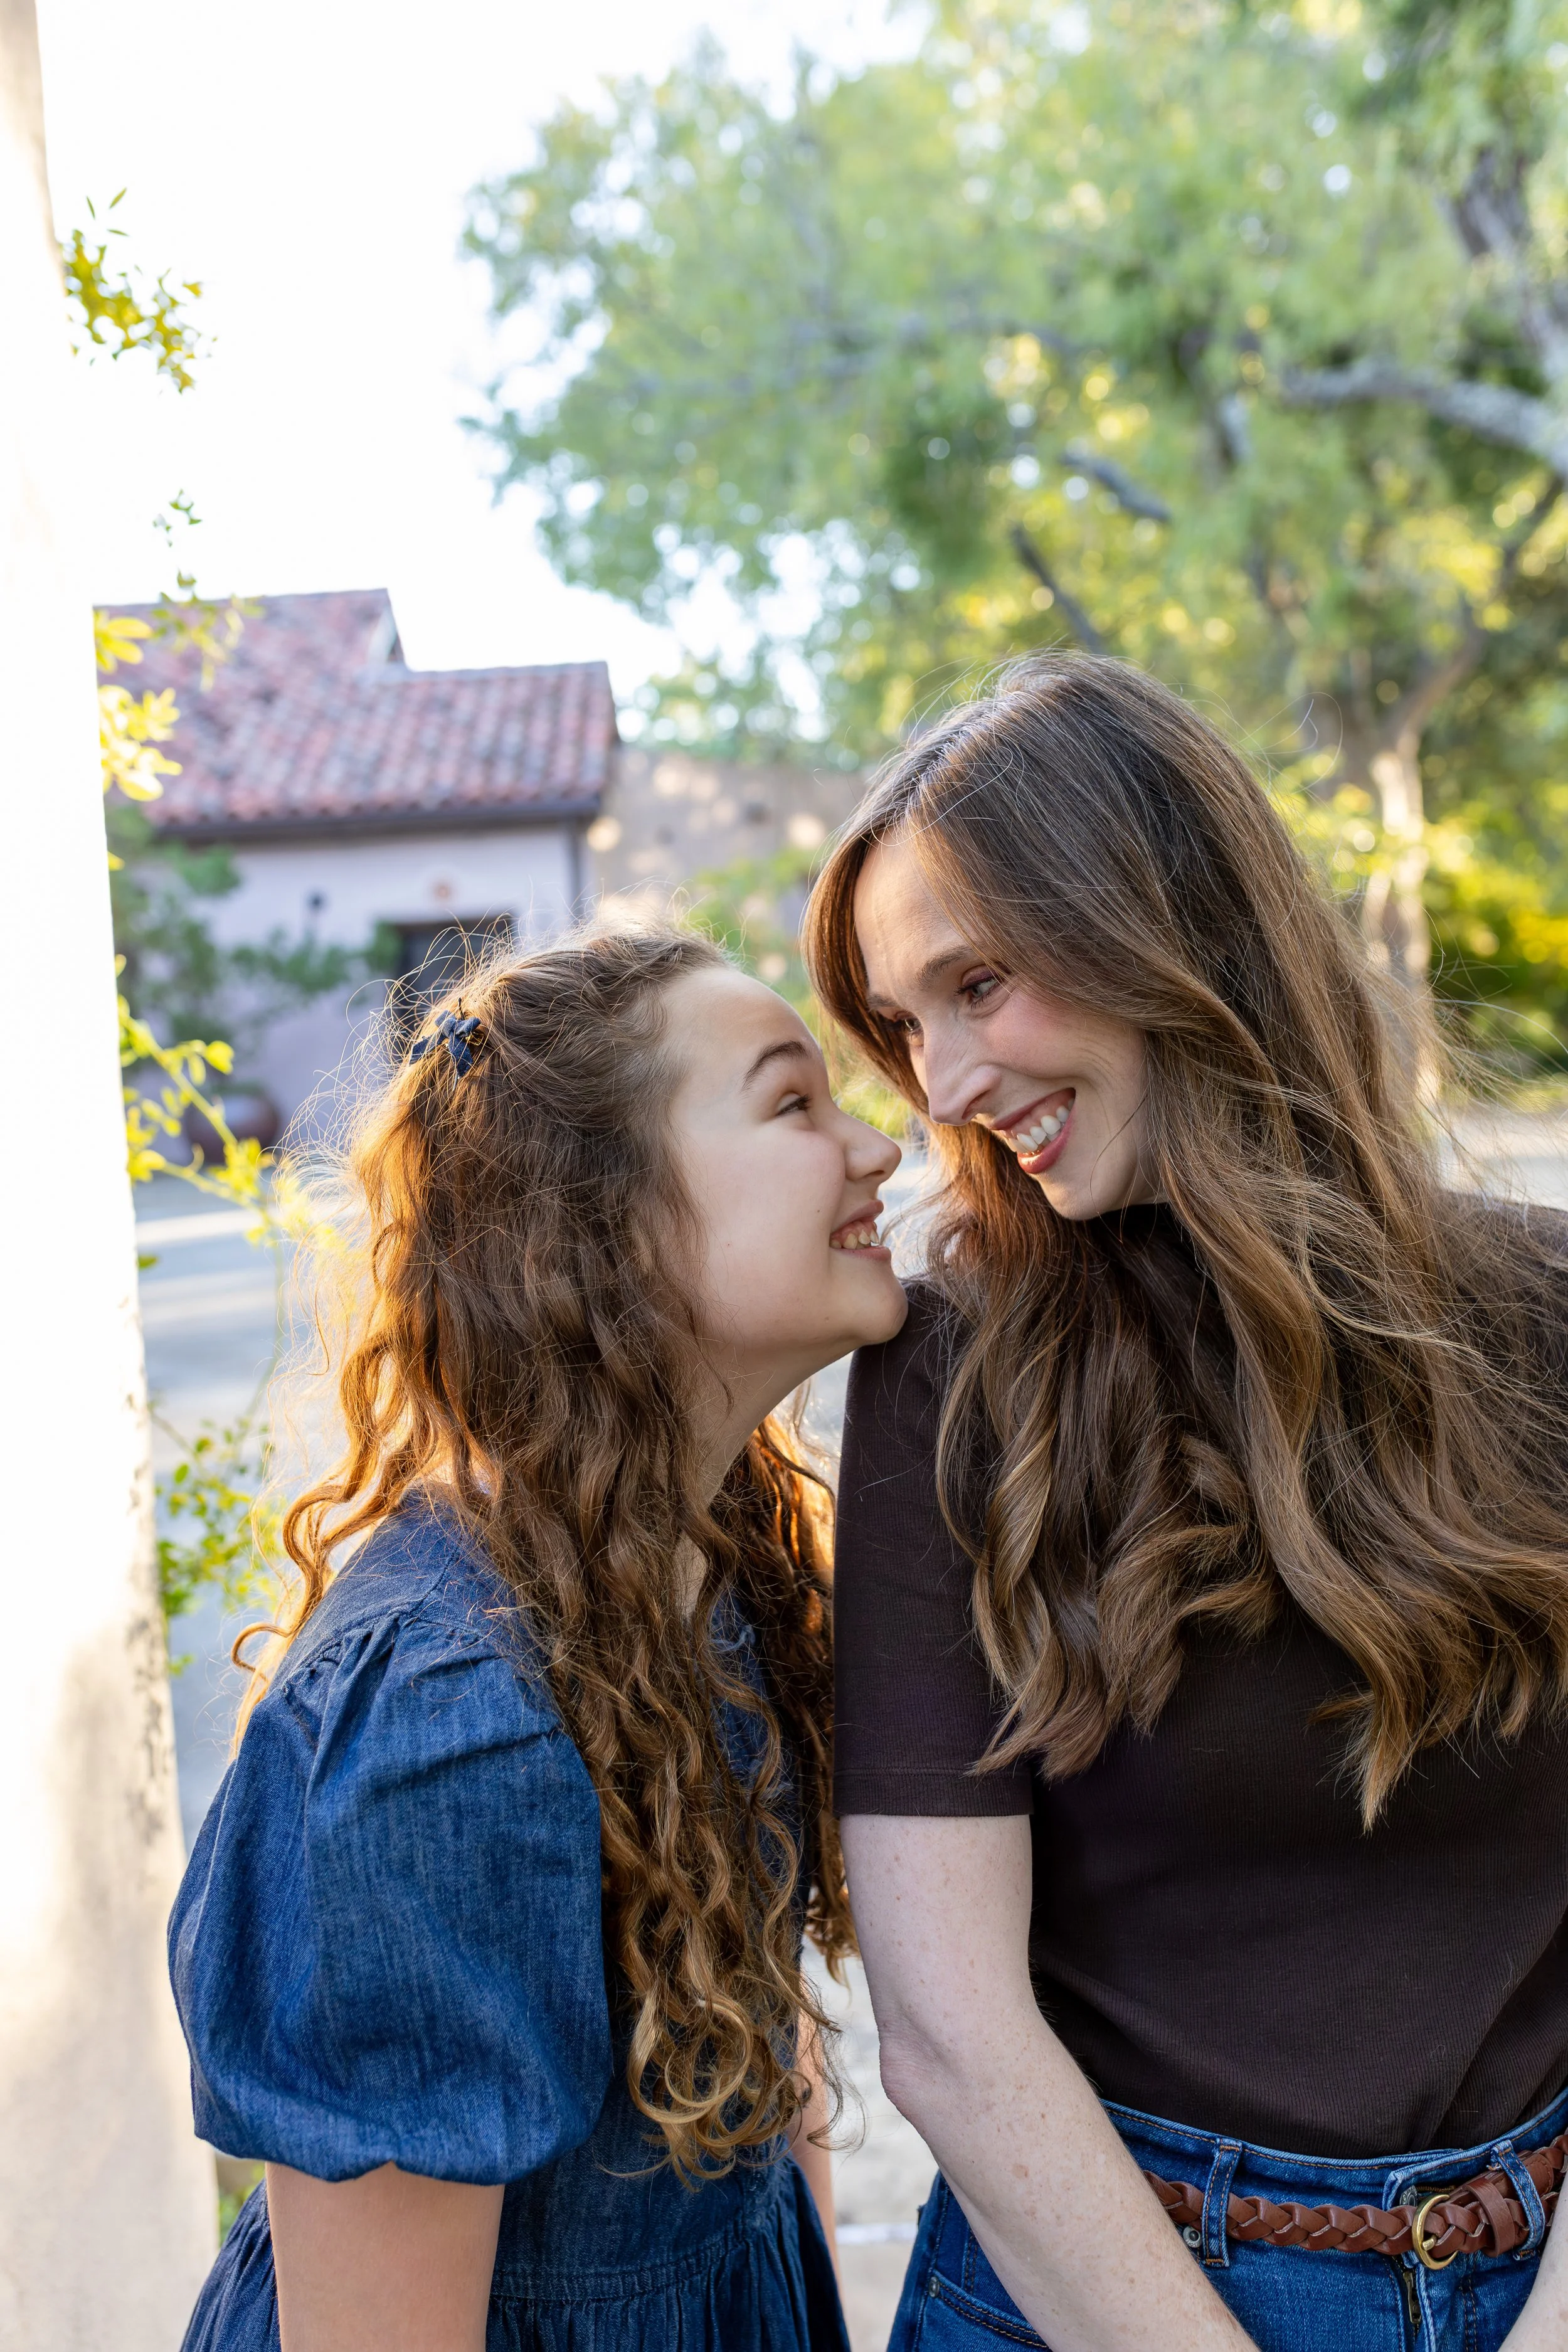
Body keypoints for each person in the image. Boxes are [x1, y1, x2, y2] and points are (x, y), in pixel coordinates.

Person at [802, 654, 1568, 2352]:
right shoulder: (951, 1369)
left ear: (1163, 916)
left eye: (976, 982)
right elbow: (947, 2029)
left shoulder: (1542, 1315)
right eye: (901, 1021)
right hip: (1101, 2287)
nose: (936, 1085)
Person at [168, 926, 906, 2352]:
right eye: (792, 1103)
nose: (875, 1150)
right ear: (607, 1220)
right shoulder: (441, 1725)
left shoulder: (715, 1563)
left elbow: (754, 2066)